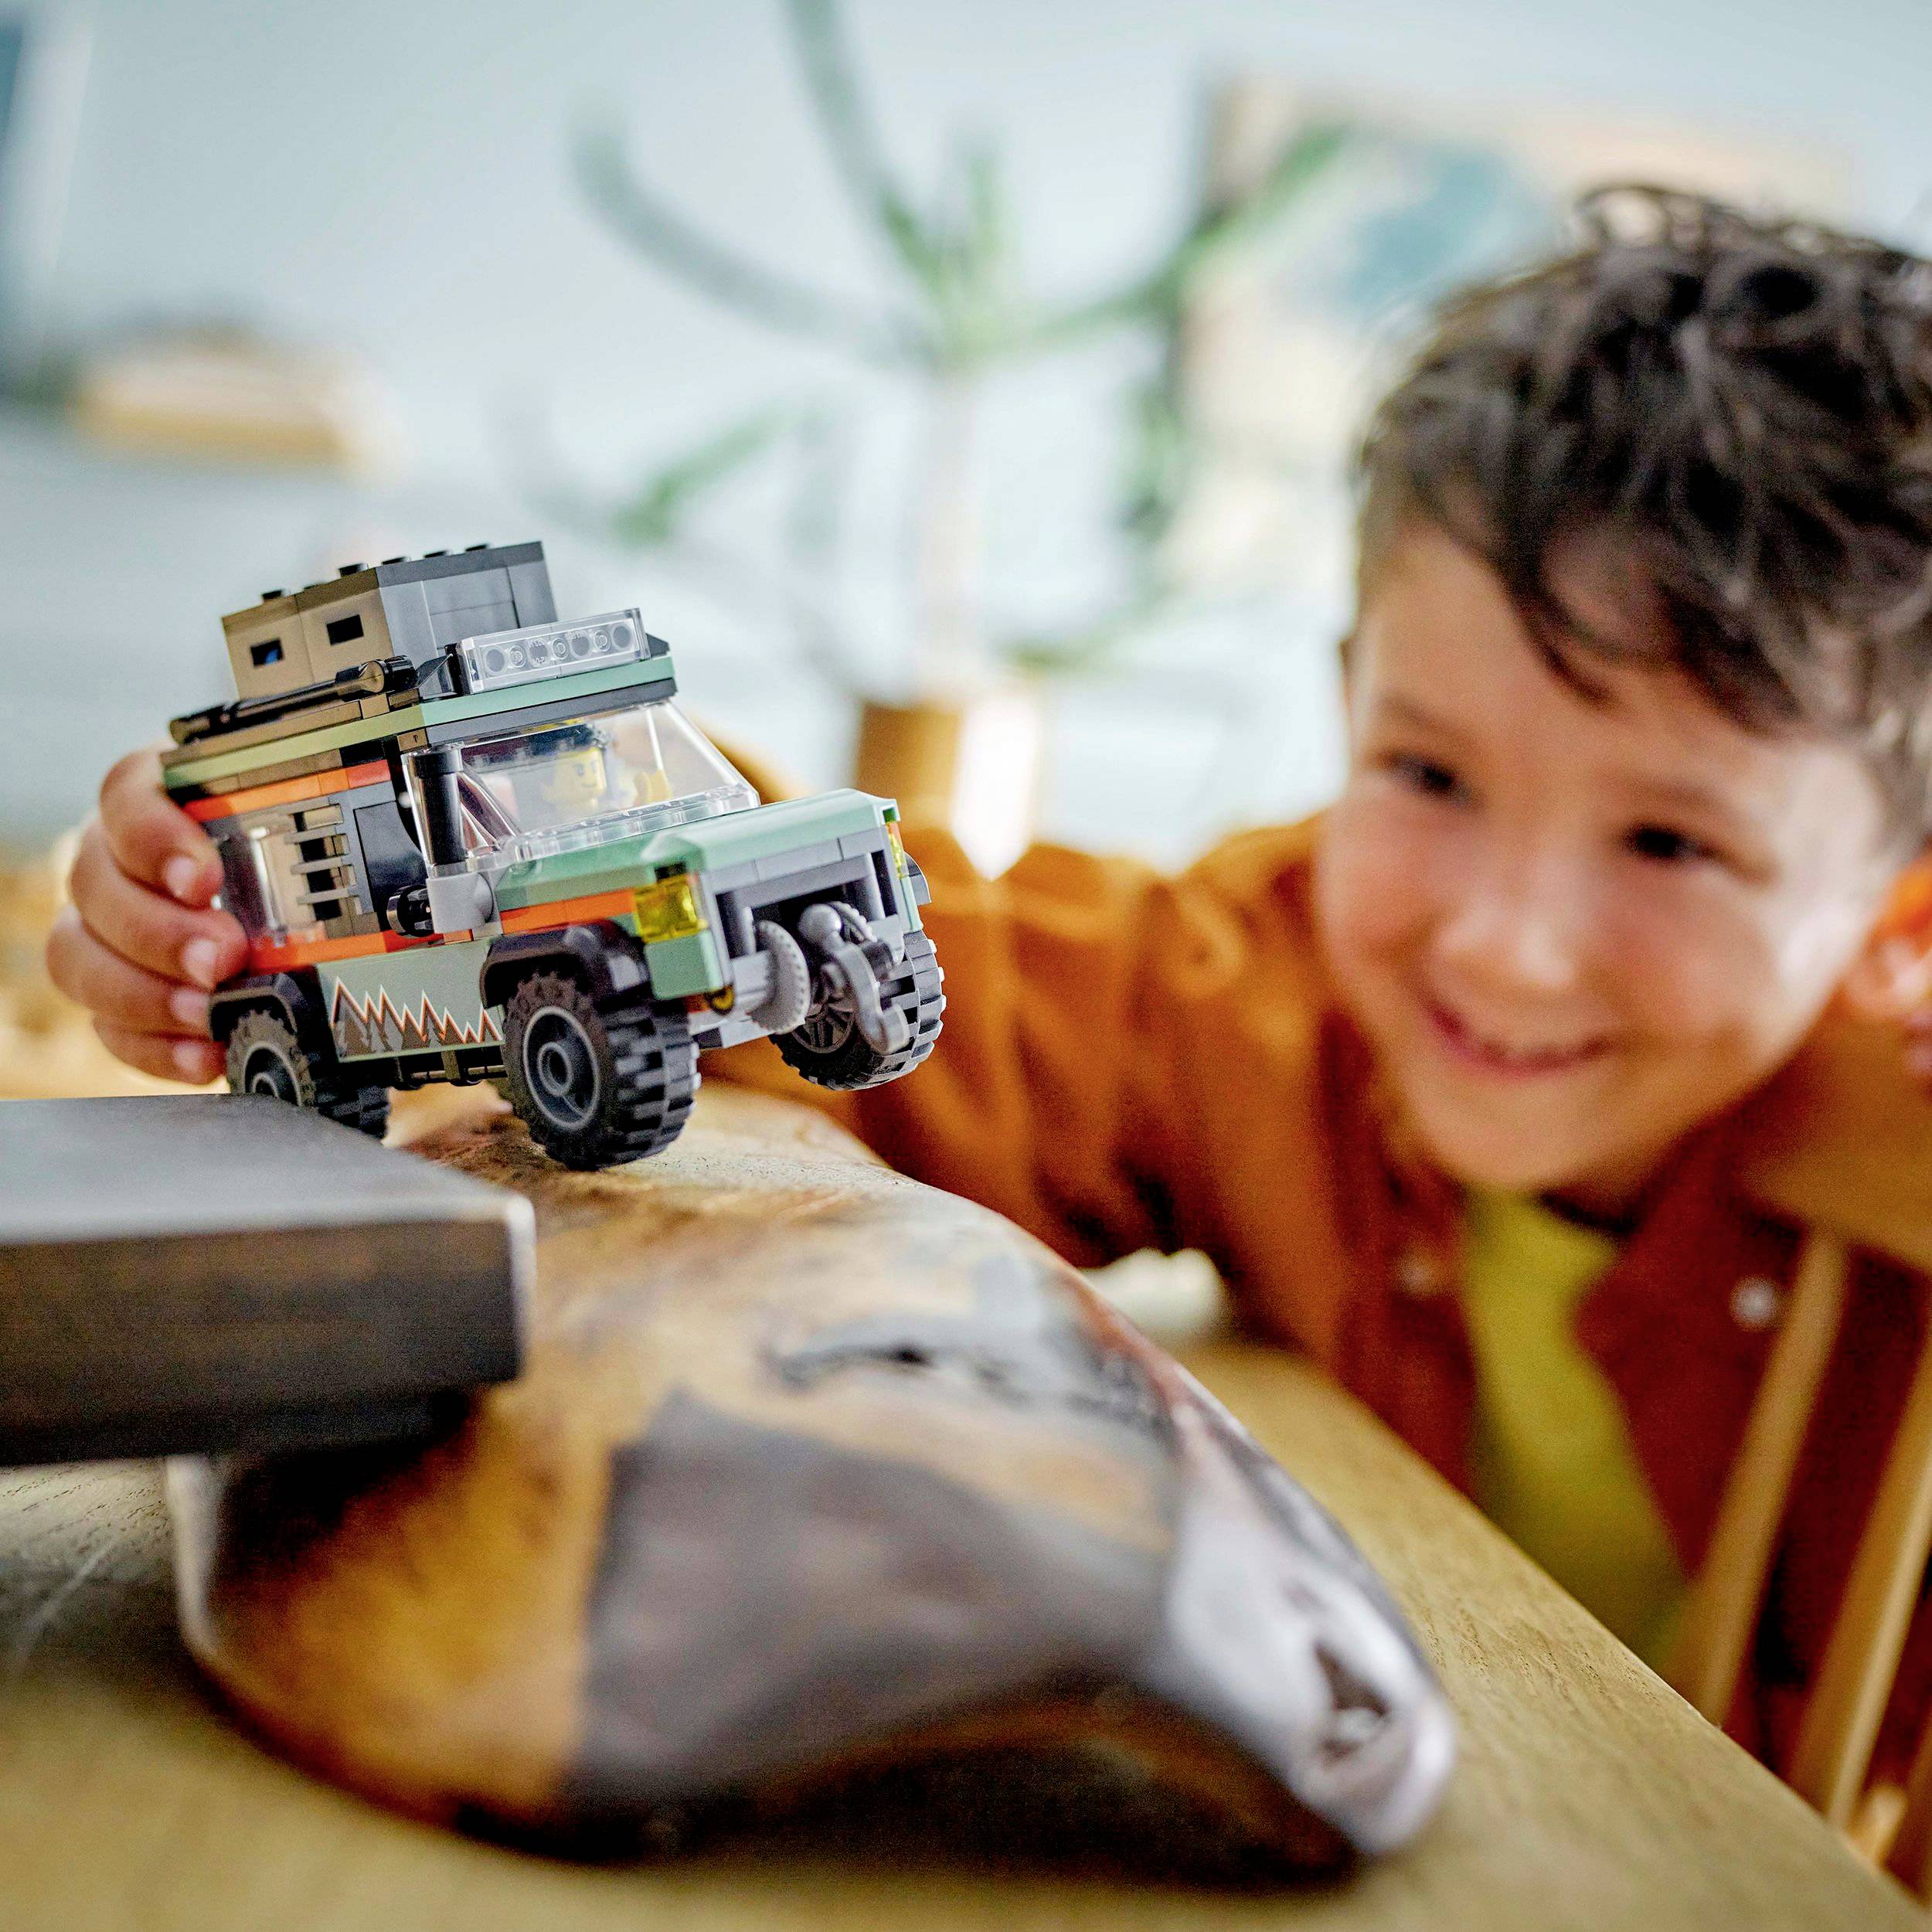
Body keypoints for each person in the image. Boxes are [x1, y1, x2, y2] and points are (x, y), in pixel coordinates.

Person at [48, 187, 1932, 1792]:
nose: (1503, 942)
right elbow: (916, 990)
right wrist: (243, 875)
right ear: (1348, 698)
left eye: (1670, 846)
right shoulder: (1248, 994)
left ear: (1892, 894)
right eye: (1425, 776)